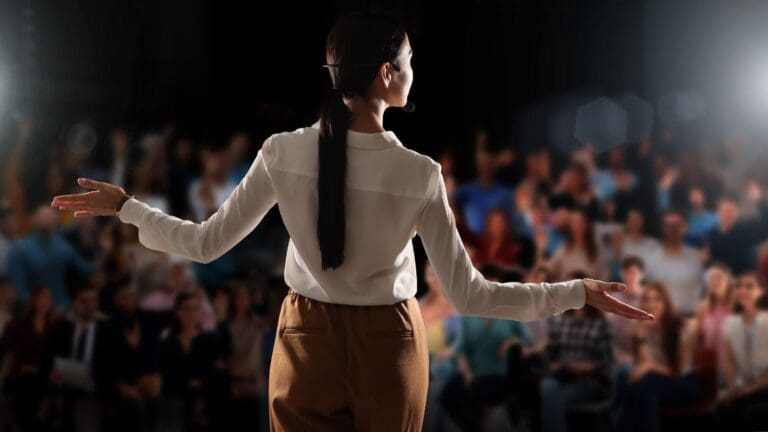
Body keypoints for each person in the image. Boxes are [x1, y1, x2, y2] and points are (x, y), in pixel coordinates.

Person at [50, 12, 650, 431]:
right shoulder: (419, 173)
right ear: (387, 74)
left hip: (304, 340)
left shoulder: (282, 151)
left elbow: (205, 245)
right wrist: (577, 292)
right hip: (390, 344)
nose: (414, 70)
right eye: (409, 60)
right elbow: (472, 294)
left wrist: (127, 208)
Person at [615, 282, 699, 432]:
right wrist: (640, 335)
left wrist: (649, 367)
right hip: (655, 380)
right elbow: (645, 365)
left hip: (683, 381)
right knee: (625, 377)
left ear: (666, 302)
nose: (651, 304)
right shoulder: (642, 328)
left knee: (643, 385)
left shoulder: (682, 327)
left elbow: (677, 371)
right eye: (646, 299)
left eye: (657, 299)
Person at [718, 271, 768, 431]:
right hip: (746, 387)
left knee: (749, 410)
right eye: (739, 286)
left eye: (750, 286)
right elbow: (730, 364)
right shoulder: (729, 323)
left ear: (762, 291)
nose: (743, 290)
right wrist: (733, 389)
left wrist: (747, 390)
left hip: (763, 387)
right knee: (724, 408)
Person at [645, 209, 704, 316]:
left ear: (684, 228)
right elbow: (648, 291)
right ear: (663, 229)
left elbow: (701, 289)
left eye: (677, 226)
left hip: (689, 317)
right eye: (668, 226)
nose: (672, 230)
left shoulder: (695, 258)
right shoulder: (652, 259)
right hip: (660, 319)